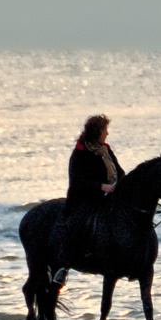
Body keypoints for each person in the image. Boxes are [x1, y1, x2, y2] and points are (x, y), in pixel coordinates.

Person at [62, 114, 124, 270]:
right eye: (105, 130)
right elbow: (77, 181)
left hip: (108, 196)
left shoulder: (106, 149)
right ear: (97, 132)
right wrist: (101, 186)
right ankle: (69, 261)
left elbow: (119, 171)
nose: (107, 133)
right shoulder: (80, 152)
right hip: (85, 198)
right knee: (81, 222)